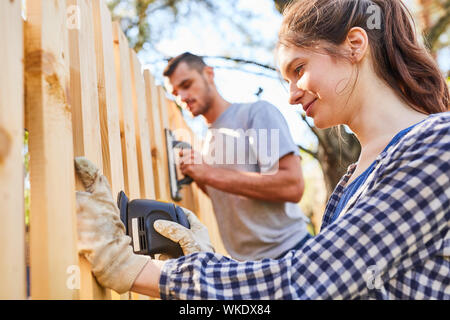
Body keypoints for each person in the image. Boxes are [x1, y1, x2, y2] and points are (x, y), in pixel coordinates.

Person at [74, 0, 449, 299]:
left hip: (284, 261)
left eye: (299, 69)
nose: (290, 94)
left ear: (355, 45)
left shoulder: (438, 145)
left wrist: (136, 271)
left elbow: (305, 278)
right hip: (256, 271)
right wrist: (207, 259)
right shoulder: (354, 178)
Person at [156, 52, 311, 261]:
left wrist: (208, 174)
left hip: (293, 254)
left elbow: (292, 186)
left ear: (209, 74)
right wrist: (201, 176)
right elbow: (232, 198)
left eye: (186, 84)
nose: (182, 97)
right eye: (175, 93)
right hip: (245, 267)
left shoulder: (255, 113)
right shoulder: (204, 145)